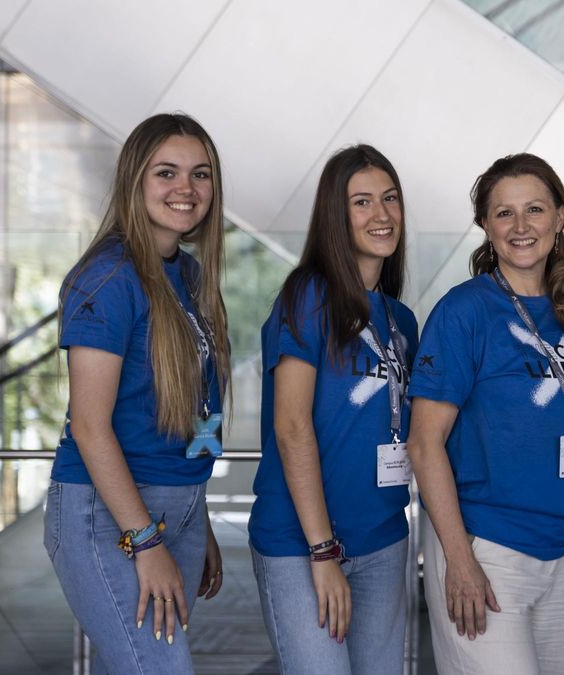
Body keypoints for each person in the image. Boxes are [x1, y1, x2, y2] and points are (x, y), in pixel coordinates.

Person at [407, 153, 564, 675]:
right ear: (484, 225)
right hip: (490, 551)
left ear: (560, 216)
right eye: (504, 213)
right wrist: (458, 559)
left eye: (535, 209)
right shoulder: (464, 312)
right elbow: (424, 444)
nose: (521, 227)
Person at [45, 113, 231, 674]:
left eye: (200, 175)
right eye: (167, 173)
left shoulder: (191, 276)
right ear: (135, 180)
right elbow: (90, 426)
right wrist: (147, 541)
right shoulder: (107, 278)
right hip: (109, 517)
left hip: (176, 510)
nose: (186, 189)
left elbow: (195, 405)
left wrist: (192, 516)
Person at [248, 144, 418, 673]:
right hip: (303, 546)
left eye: (390, 199)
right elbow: (292, 427)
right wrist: (323, 552)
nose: (382, 214)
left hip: (385, 540)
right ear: (335, 216)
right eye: (362, 202)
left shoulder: (402, 321)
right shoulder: (308, 297)